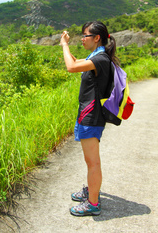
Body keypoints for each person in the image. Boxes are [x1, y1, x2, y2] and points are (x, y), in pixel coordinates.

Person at [60, 21, 119, 217]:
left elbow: (70, 67)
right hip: (87, 113)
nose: (82, 39)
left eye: (85, 35)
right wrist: (71, 53)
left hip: (91, 116)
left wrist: (64, 45)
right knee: (89, 160)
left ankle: (93, 203)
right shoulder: (95, 57)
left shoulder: (100, 59)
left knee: (93, 162)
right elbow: (76, 64)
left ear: (97, 38)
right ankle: (92, 190)